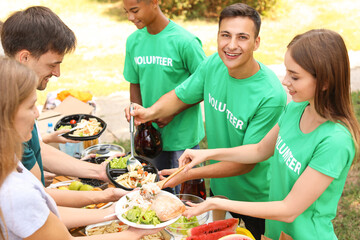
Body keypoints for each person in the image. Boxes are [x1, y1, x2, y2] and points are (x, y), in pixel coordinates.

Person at [178, 29, 360, 240]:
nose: (285, 81)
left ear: (325, 82)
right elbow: (259, 150)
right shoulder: (296, 109)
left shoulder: (335, 141)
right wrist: (207, 154)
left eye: (295, 76)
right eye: (286, 72)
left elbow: (289, 209)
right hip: (275, 233)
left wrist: (216, 203)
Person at [126, 3, 287, 239]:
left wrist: (187, 174)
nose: (231, 45)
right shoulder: (214, 64)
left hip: (256, 199)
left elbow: (248, 161)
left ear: (256, 42)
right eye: (225, 35)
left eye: (242, 37)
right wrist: (148, 112)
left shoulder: (271, 95)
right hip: (221, 190)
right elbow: (181, 94)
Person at [0, 57, 162, 240]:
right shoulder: (16, 192)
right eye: (31, 107)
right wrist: (134, 233)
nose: (38, 114)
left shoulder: (9, 163)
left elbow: (42, 214)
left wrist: (112, 206)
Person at [1, 6, 110, 188]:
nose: (57, 73)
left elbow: (38, 150)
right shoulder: (12, 111)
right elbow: (39, 196)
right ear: (25, 58)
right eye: (53, 64)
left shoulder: (21, 93)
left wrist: (98, 172)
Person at [123, 0, 206, 193]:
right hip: (149, 138)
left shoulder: (186, 42)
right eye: (126, 12)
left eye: (134, 10)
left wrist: (172, 111)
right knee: (152, 194)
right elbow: (134, 82)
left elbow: (204, 85)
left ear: (154, 2)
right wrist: (136, 110)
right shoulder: (134, 41)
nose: (130, 17)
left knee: (185, 198)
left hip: (182, 138)